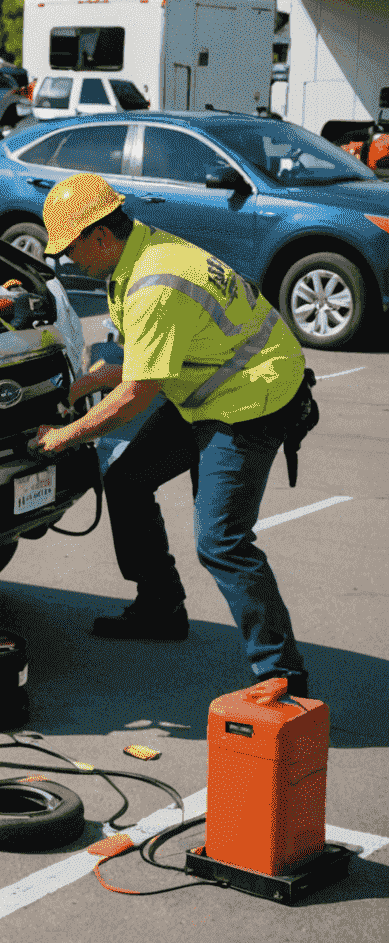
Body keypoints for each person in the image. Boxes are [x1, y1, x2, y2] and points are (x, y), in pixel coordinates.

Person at [29, 174, 312, 696]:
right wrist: (93, 381)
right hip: (208, 384)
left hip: (251, 401)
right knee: (128, 480)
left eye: (70, 248)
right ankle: (160, 608)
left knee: (222, 542)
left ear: (99, 235)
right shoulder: (141, 251)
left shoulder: (154, 283)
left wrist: (65, 436)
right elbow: (160, 356)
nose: (67, 260)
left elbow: (139, 392)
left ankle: (281, 674)